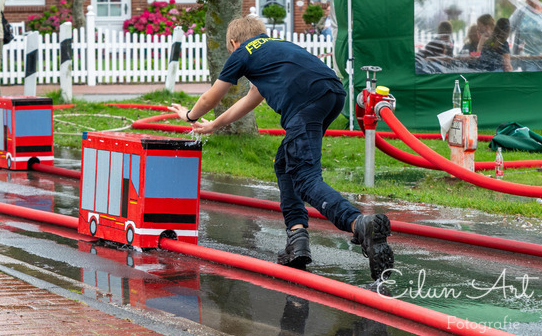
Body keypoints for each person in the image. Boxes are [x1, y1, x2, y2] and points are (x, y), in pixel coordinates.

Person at [168, 15, 394, 280]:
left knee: (305, 178)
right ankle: (297, 239)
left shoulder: (242, 52)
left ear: (233, 42)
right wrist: (214, 125)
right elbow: (252, 98)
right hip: (332, 94)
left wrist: (189, 116)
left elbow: (210, 97)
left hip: (305, 103)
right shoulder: (276, 47)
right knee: (285, 164)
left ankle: (359, 223)